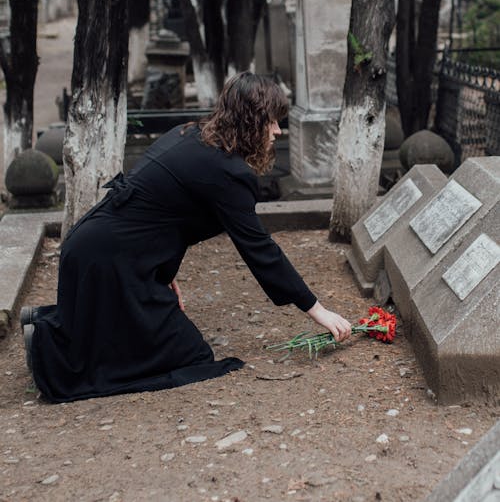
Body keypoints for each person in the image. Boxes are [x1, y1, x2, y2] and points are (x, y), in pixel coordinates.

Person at [22, 72, 351, 403]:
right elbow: (260, 250)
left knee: (126, 333)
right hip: (111, 260)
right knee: (188, 355)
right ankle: (47, 346)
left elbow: (157, 211)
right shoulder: (228, 173)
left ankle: (44, 323)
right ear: (251, 121)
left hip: (97, 247)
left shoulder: (192, 134)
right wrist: (317, 310)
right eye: (271, 122)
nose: (278, 132)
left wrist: (164, 272)